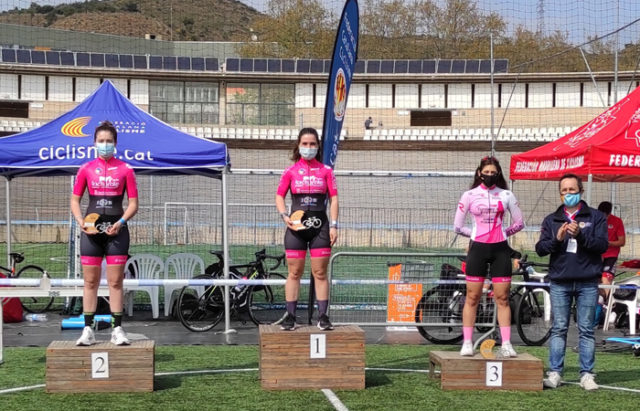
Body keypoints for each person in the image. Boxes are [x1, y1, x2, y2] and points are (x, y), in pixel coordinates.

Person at [536, 173, 608, 391]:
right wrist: (556, 240)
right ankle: (555, 372)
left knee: (586, 329)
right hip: (560, 281)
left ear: (581, 191)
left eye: (572, 190)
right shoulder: (552, 219)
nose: (568, 194)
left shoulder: (595, 217)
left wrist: (581, 236)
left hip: (587, 281)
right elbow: (540, 249)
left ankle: (587, 374)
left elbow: (602, 246)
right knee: (559, 328)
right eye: (564, 191)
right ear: (560, 194)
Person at [70, 121, 139, 346]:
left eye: (109, 141)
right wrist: (80, 220)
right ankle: (87, 330)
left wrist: (120, 222)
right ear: (94, 143)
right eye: (101, 141)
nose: (105, 144)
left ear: (115, 143)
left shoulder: (126, 169)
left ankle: (117, 329)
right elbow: (75, 199)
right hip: (91, 231)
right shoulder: (86, 169)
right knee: (89, 282)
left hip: (117, 231)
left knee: (115, 282)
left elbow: (134, 204)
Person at [454, 156, 524, 357]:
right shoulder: (469, 195)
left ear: (498, 174)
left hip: (500, 249)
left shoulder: (507, 194)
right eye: (486, 173)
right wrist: (475, 234)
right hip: (478, 249)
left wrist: (503, 234)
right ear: (479, 173)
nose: (490, 176)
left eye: (494, 173)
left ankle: (507, 343)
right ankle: (467, 342)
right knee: (473, 297)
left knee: (502, 298)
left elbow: (519, 222)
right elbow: (457, 226)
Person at [275, 127, 338, 331]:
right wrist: (284, 215)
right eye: (305, 144)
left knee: (320, 272)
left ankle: (323, 316)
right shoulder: (290, 171)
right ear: (298, 146)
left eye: (312, 144)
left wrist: (335, 225)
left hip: (321, 226)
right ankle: (291, 317)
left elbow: (334, 198)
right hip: (296, 227)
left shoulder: (326, 171)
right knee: (294, 273)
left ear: (318, 146)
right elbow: (279, 195)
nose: (308, 147)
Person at [597, 201, 625, 300]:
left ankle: (607, 305)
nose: (603, 218)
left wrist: (609, 243)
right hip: (597, 254)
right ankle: (598, 303)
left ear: (609, 213)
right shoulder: (595, 220)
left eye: (605, 216)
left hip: (611, 256)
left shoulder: (617, 221)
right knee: (594, 279)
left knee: (605, 278)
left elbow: (622, 242)